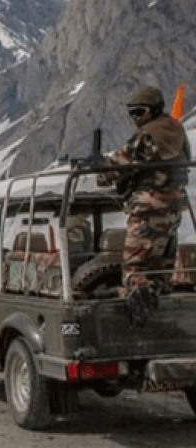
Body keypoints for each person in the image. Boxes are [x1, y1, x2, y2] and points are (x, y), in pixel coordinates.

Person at [97, 85, 191, 298]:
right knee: (161, 274)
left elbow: (113, 169)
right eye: (132, 112)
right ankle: (163, 322)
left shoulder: (146, 135)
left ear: (155, 110)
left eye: (139, 112)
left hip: (147, 210)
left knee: (134, 272)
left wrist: (99, 166)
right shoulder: (177, 130)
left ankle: (134, 324)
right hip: (173, 211)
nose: (135, 118)